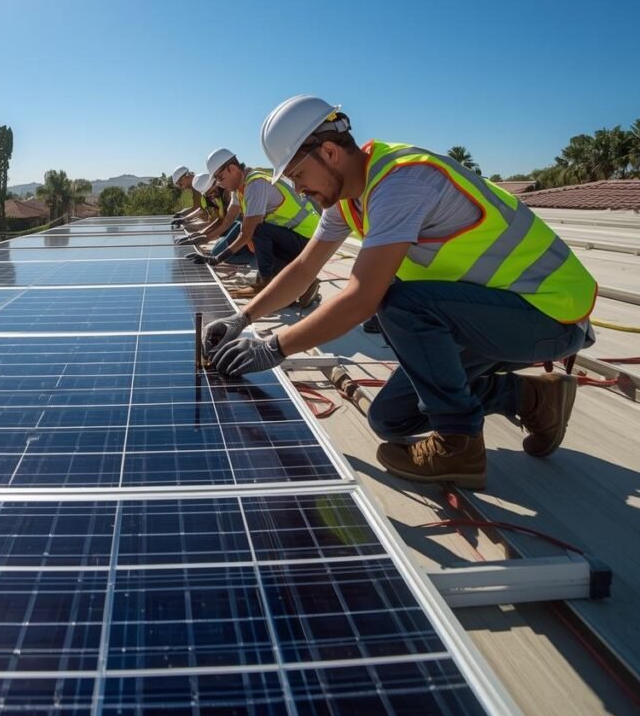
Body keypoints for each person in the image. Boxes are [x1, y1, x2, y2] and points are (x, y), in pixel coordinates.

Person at [202, 95, 597, 490]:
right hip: (484, 318)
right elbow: (304, 269)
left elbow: (361, 298)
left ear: (328, 152)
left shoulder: (402, 181)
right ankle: (533, 398)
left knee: (397, 303)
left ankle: (460, 445)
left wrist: (274, 346)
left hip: (547, 313)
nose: (298, 189)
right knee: (391, 419)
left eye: (298, 175)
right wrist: (242, 319)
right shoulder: (347, 201)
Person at [194, 146, 321, 307]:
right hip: (293, 236)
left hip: (310, 238)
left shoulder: (255, 185)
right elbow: (231, 223)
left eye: (220, 178)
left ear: (232, 169)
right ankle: (304, 282)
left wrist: (216, 259)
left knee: (257, 232)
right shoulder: (239, 189)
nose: (220, 184)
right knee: (254, 241)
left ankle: (265, 282)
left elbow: (248, 233)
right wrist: (201, 238)